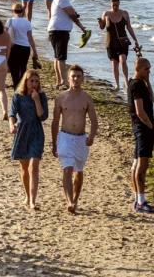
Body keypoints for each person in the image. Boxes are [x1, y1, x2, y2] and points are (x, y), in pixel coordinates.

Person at [50, 64, 97, 214]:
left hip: (81, 138)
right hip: (65, 136)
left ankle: (75, 200)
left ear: (82, 78)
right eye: (73, 76)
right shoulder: (61, 98)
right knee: (68, 169)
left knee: (79, 171)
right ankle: (69, 201)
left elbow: (94, 121)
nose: (76, 79)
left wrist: (92, 136)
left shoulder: (87, 98)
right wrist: (54, 143)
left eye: (78, 76)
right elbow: (55, 122)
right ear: (68, 78)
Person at [10, 69, 48, 211]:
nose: (34, 84)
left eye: (36, 81)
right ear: (26, 81)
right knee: (24, 167)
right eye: (31, 81)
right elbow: (12, 113)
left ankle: (32, 201)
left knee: (34, 166)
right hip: (22, 131)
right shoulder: (18, 96)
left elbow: (43, 117)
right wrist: (11, 125)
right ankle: (27, 195)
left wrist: (37, 100)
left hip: (36, 132)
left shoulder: (42, 96)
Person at [128, 57, 154, 214]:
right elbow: (140, 111)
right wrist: (149, 125)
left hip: (141, 128)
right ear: (138, 69)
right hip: (143, 129)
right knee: (142, 165)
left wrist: (148, 80)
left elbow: (152, 99)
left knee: (137, 164)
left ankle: (138, 201)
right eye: (146, 69)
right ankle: (140, 202)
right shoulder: (137, 85)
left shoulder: (139, 83)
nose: (149, 71)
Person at [46, 0, 88, 89]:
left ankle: (59, 80)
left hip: (53, 29)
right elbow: (72, 15)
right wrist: (82, 27)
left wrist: (74, 13)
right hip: (60, 30)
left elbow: (71, 11)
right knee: (61, 57)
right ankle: (64, 81)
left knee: (57, 56)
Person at [99, 0, 141, 91]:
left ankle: (126, 82)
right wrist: (100, 23)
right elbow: (102, 27)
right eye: (113, 5)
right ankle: (117, 85)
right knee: (114, 63)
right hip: (110, 42)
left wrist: (135, 40)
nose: (115, 7)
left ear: (119, 4)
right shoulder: (106, 14)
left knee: (123, 60)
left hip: (122, 42)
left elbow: (129, 27)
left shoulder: (124, 13)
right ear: (110, 4)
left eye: (116, 5)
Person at [4, 1, 38, 90]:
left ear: (13, 11)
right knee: (23, 68)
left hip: (13, 47)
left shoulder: (10, 21)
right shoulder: (26, 22)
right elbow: (30, 38)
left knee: (13, 69)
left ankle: (16, 86)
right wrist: (34, 51)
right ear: (22, 11)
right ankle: (22, 87)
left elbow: (5, 34)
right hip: (25, 48)